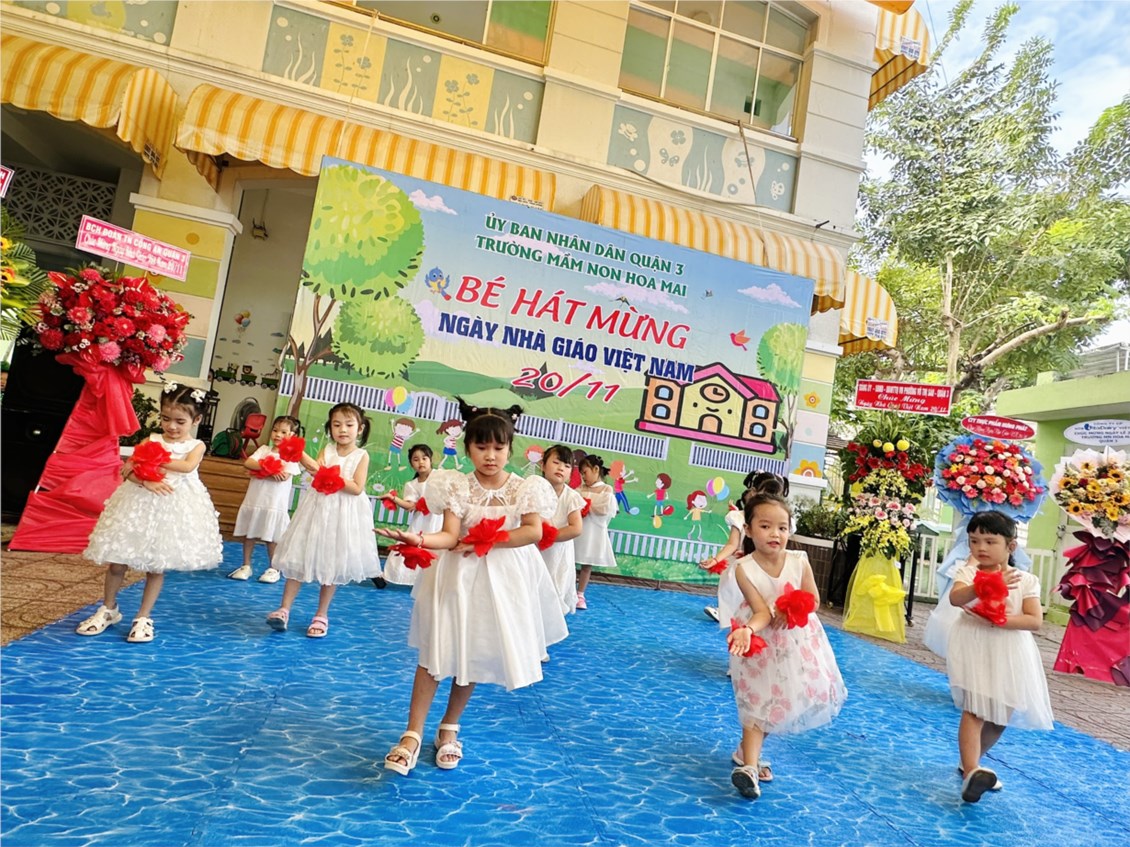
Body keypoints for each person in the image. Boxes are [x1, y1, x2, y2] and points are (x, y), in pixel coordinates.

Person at [377, 400, 567, 775]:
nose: (490, 456)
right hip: (456, 577)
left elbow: (532, 531)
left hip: (501, 581)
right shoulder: (456, 486)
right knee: (435, 652)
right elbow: (450, 536)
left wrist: (489, 540)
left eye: (498, 447)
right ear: (468, 449)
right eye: (481, 447)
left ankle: (449, 727)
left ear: (509, 449)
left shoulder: (524, 489)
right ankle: (412, 733)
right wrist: (418, 539)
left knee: (475, 651)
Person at [78, 384, 223, 643]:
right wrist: (146, 480)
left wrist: (153, 459)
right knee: (117, 560)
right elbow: (128, 470)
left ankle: (143, 616)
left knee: (157, 565)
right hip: (138, 506)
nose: (171, 426)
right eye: (166, 419)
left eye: (180, 421)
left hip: (171, 510)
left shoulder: (196, 445)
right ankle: (108, 609)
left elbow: (187, 466)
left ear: (196, 420)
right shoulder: (151, 440)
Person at [726, 493, 847, 799]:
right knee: (756, 701)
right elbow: (761, 612)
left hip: (797, 643)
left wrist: (791, 606)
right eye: (765, 526)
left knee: (779, 702)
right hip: (762, 645)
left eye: (782, 527)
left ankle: (745, 752)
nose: (775, 534)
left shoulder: (799, 561)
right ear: (748, 529)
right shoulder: (744, 569)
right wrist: (747, 631)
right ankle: (749, 768)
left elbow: (813, 601)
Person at [945, 510, 1053, 803]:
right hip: (976, 645)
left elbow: (1034, 620)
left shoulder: (1026, 580)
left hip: (1010, 649)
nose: (981, 547)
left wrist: (999, 619)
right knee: (975, 709)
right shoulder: (968, 572)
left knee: (1000, 715)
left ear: (1011, 546)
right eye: (974, 540)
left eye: (990, 541)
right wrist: (985, 585)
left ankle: (972, 762)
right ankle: (971, 771)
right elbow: (956, 598)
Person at [266, 402, 381, 637]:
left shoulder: (362, 455)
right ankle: (284, 609)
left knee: (332, 563)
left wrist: (330, 476)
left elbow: (357, 488)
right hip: (317, 509)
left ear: (360, 429)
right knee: (299, 555)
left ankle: (321, 614)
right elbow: (314, 471)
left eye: (349, 424)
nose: (342, 429)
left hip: (342, 515)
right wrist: (302, 457)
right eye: (336, 424)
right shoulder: (327, 449)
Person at [701, 473, 790, 623]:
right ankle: (726, 612)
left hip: (769, 565)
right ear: (754, 493)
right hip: (746, 560)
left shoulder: (785, 520)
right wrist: (716, 560)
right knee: (731, 578)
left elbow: (781, 547)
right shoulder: (739, 517)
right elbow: (732, 544)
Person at [228, 415, 303, 583]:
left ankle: (273, 568)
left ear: (292, 436)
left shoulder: (290, 456)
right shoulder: (263, 450)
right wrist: (270, 470)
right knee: (249, 534)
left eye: (283, 432)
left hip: (274, 504)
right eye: (275, 430)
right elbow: (249, 463)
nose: (278, 435)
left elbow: (283, 476)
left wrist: (261, 471)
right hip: (255, 500)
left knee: (272, 538)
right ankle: (246, 565)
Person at [383, 444, 443, 586]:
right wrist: (393, 498)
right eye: (416, 459)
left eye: (424, 458)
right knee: (412, 546)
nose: (421, 462)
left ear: (431, 460)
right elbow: (410, 506)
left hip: (439, 519)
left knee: (439, 548)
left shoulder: (440, 476)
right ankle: (388, 576)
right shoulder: (412, 485)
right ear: (411, 464)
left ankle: (436, 581)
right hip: (421, 522)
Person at [538, 444, 586, 614]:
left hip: (558, 551)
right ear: (543, 465)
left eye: (566, 466)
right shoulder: (534, 490)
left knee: (555, 587)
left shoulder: (571, 496)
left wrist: (550, 536)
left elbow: (576, 528)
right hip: (534, 546)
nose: (561, 468)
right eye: (556, 462)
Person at [574, 453, 618, 610]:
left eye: (585, 472)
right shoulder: (579, 489)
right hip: (577, 529)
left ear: (596, 469)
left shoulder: (606, 489)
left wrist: (587, 505)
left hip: (593, 532)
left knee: (587, 564)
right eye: (581, 474)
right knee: (570, 559)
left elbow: (605, 510)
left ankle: (580, 594)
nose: (583, 477)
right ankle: (566, 590)